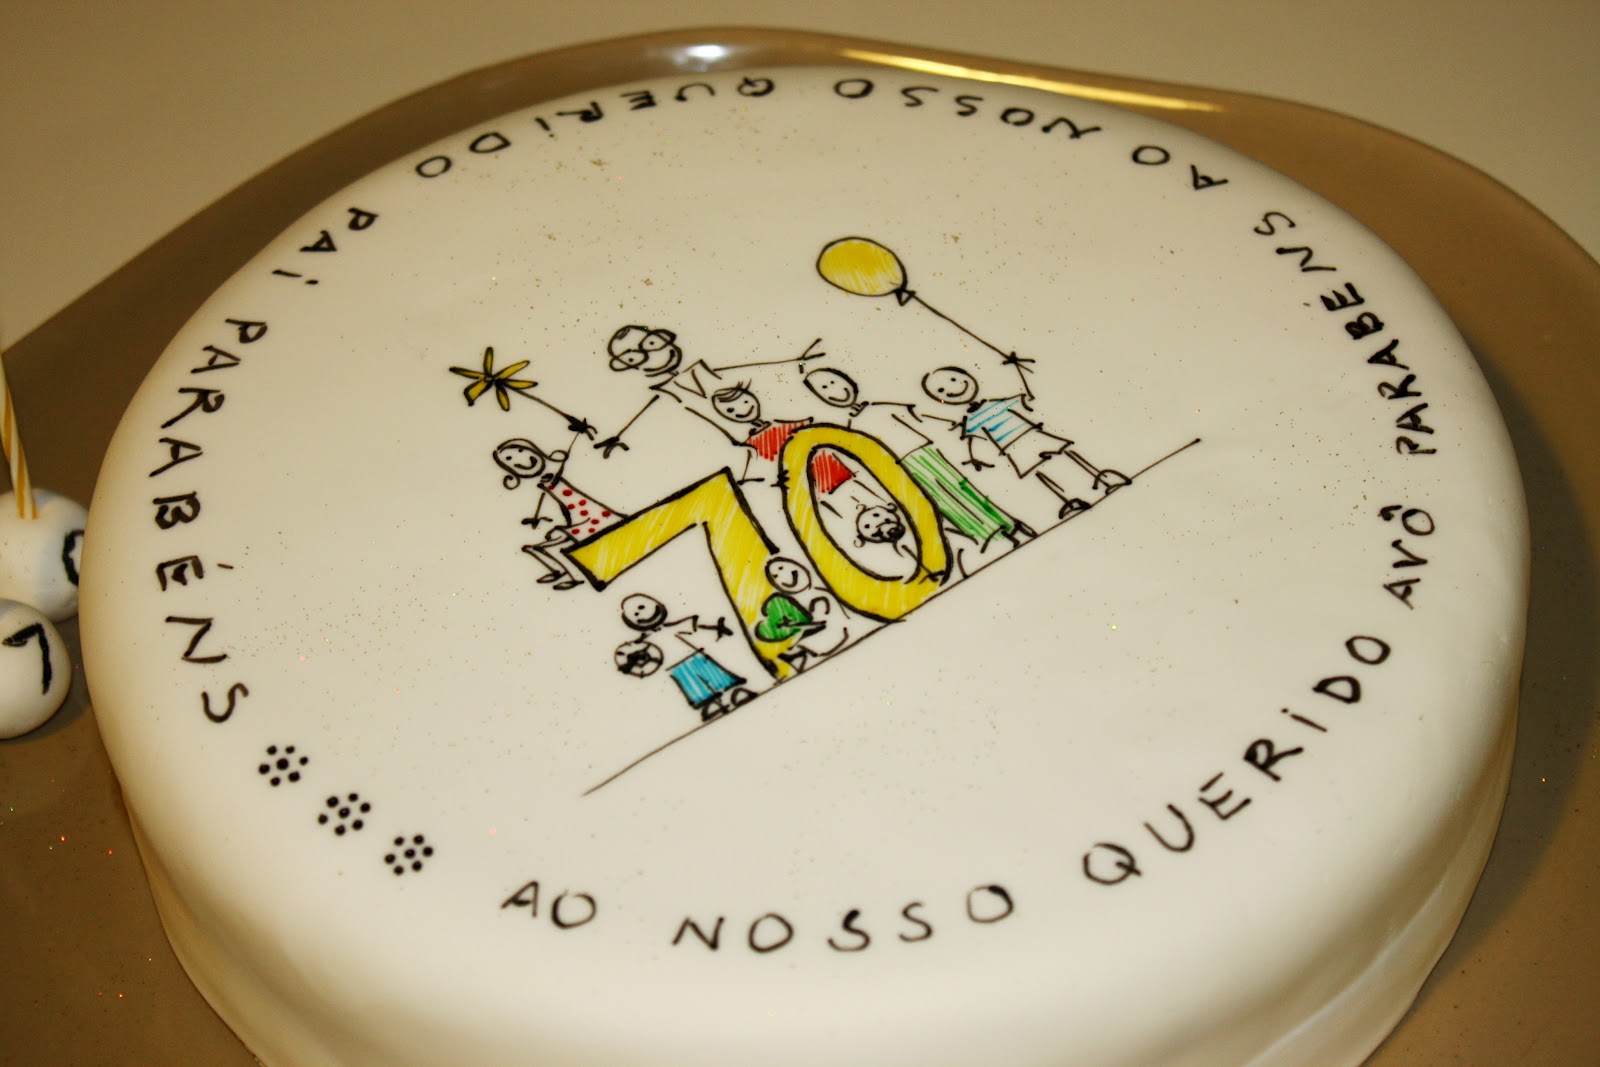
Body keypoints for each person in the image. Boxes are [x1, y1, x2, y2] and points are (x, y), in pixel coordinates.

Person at [493, 438, 624, 590]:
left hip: (596, 520)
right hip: (583, 522)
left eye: (521, 451)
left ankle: (575, 578)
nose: (520, 459)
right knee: (538, 547)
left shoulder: (553, 479)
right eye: (509, 459)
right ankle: (559, 571)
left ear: (535, 451)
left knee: (555, 548)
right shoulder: (546, 483)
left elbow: (572, 503)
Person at [614, 593, 753, 721]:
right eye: (636, 614)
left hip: (695, 657)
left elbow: (694, 626)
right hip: (677, 668)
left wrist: (714, 627)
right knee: (694, 687)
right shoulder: (644, 643)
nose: (642, 614)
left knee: (716, 677)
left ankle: (733, 692)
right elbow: (633, 654)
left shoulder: (670, 627)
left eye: (642, 607)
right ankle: (709, 704)